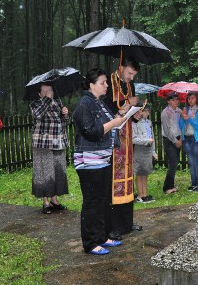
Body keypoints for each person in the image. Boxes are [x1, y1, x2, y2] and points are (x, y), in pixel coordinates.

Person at [73, 68, 126, 255]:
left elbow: (109, 126)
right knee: (92, 202)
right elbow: (91, 132)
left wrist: (119, 118)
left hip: (102, 159)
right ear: (91, 85)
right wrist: (114, 123)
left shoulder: (100, 103)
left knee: (103, 200)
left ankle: (102, 237)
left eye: (106, 82)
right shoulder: (84, 105)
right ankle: (90, 242)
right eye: (103, 83)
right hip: (89, 162)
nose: (106, 86)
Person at [105, 56, 142, 239]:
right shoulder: (108, 83)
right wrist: (127, 105)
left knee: (128, 178)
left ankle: (126, 222)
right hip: (113, 140)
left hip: (127, 139)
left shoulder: (130, 85)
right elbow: (106, 109)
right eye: (129, 73)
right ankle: (114, 225)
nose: (131, 78)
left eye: (134, 75)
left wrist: (136, 112)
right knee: (113, 180)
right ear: (121, 67)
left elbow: (130, 113)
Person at [29, 83, 70, 214]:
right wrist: (46, 99)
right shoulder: (35, 104)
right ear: (40, 94)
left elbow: (65, 123)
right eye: (45, 91)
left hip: (58, 143)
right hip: (43, 144)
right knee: (44, 173)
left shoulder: (58, 104)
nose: (49, 92)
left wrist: (66, 114)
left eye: (50, 90)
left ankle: (54, 200)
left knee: (57, 172)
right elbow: (37, 115)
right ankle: (46, 202)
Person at [179, 92, 198, 192]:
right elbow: (181, 125)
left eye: (192, 98)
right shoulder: (186, 109)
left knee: (197, 161)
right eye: (189, 98)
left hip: (196, 138)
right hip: (186, 138)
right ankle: (193, 184)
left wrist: (190, 119)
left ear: (197, 99)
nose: (190, 100)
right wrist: (183, 117)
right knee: (191, 162)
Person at [132, 106, 156, 203]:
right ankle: (140, 195)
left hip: (148, 150)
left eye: (148, 111)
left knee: (145, 172)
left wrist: (153, 151)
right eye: (144, 111)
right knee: (139, 173)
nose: (146, 113)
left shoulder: (149, 122)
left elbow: (152, 136)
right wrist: (146, 141)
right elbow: (134, 139)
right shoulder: (135, 123)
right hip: (140, 149)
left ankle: (145, 194)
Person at [161, 91, 182, 194]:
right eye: (173, 100)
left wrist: (180, 138)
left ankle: (171, 185)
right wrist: (175, 141)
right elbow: (167, 130)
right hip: (169, 140)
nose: (176, 101)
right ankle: (167, 187)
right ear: (168, 101)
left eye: (177, 99)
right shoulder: (165, 113)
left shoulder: (178, 111)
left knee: (175, 162)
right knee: (173, 162)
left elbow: (181, 124)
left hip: (178, 138)